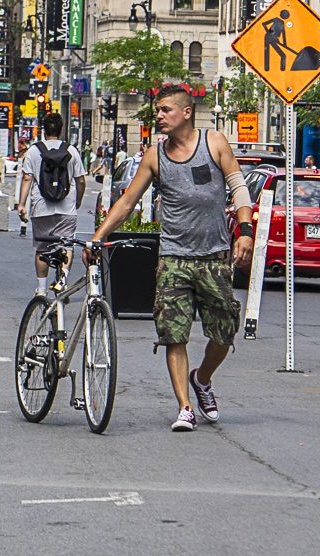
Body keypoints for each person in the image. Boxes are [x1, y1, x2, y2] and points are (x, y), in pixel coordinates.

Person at [92, 85, 253, 433]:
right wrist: (99, 235)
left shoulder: (214, 143)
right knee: (173, 335)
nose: (159, 116)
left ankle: (202, 379)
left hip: (213, 257)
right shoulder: (155, 156)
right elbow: (127, 202)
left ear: (186, 112)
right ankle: (185, 407)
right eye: (157, 111)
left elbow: (239, 188)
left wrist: (245, 230)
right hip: (173, 258)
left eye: (165, 110)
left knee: (225, 332)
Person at [16, 113, 86, 294]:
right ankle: (62, 281)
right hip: (67, 208)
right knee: (67, 245)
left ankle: (41, 289)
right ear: (61, 130)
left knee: (42, 248)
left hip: (41, 208)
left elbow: (27, 179)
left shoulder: (33, 151)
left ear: (44, 130)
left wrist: (21, 204)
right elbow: (80, 180)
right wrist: (78, 200)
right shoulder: (71, 151)